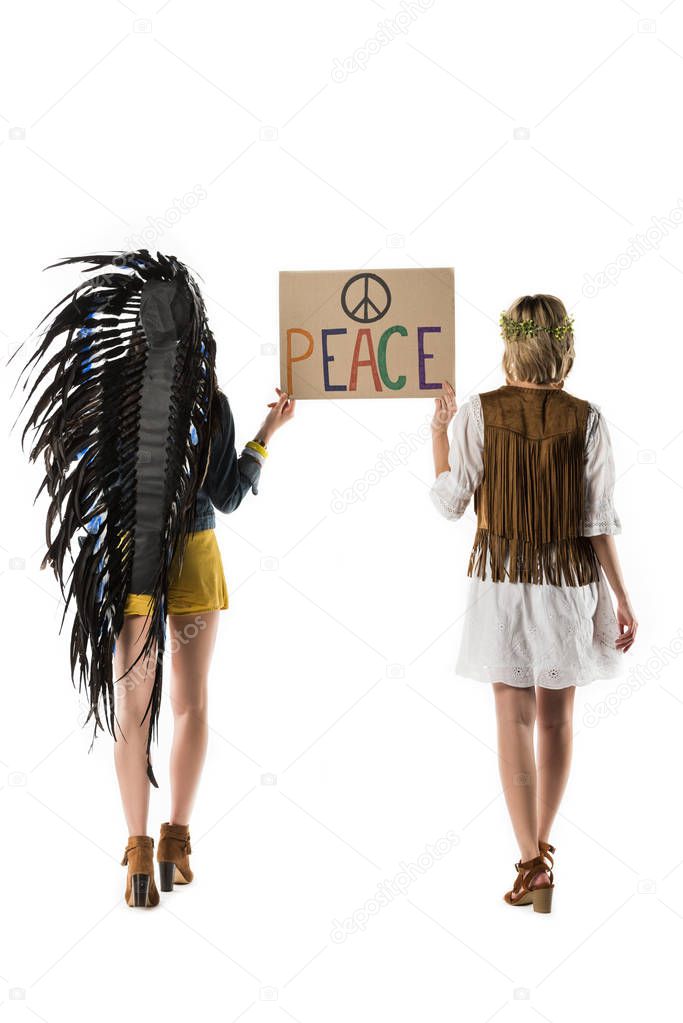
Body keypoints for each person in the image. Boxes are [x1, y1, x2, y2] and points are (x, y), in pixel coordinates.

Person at [17, 251, 295, 907]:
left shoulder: (110, 399)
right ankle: (177, 841)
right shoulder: (211, 404)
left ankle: (138, 858)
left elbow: (84, 482)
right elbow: (226, 496)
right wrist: (266, 433)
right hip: (194, 556)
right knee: (191, 703)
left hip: (128, 563)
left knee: (132, 715)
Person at [429, 294, 637, 913]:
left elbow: (449, 503)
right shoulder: (589, 419)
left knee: (513, 718)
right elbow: (598, 520)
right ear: (562, 349)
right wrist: (622, 597)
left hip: (503, 583)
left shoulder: (475, 414)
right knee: (556, 718)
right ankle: (543, 848)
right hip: (568, 585)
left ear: (511, 346)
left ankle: (530, 861)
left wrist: (439, 435)